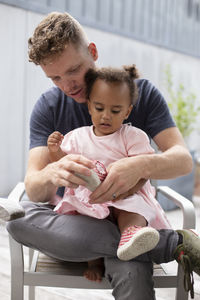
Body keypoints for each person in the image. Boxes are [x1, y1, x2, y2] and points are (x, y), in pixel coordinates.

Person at [2, 11, 199, 299]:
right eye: (55, 77)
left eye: (73, 70)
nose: (67, 85)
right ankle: (169, 244)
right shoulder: (48, 107)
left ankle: (138, 242)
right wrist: (51, 172)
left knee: (132, 258)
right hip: (78, 227)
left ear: (93, 52)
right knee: (19, 219)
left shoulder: (135, 93)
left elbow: (182, 160)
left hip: (131, 219)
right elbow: (33, 187)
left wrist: (139, 165)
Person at [47, 65, 171, 280]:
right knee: (87, 222)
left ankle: (131, 236)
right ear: (89, 107)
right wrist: (55, 151)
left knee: (134, 209)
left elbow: (143, 171)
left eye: (115, 111)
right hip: (91, 198)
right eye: (99, 108)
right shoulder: (78, 137)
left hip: (124, 193)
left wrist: (128, 191)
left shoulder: (132, 136)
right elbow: (65, 164)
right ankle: (94, 262)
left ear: (127, 111)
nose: (106, 116)